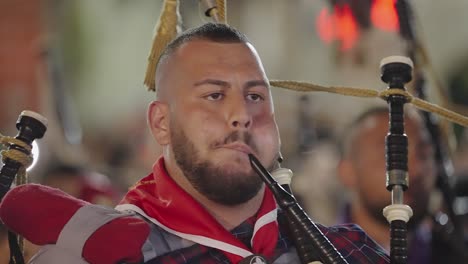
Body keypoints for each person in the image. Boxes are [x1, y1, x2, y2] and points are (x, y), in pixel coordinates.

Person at [2, 23, 389, 264]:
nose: (241, 115)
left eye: (256, 96)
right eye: (214, 96)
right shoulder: (96, 254)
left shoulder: (352, 251)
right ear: (162, 123)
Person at [337, 106, 467, 263]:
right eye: (391, 154)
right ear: (347, 172)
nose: (416, 168)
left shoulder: (456, 251)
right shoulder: (315, 253)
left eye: (424, 154)